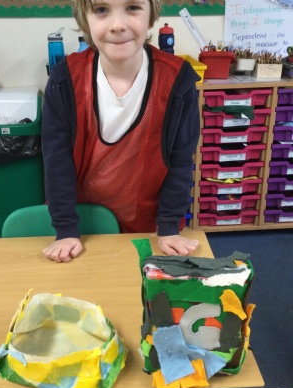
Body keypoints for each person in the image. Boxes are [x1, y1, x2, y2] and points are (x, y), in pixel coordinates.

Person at [41, 0, 200, 263]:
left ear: (151, 14)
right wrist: (66, 230)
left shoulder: (177, 80)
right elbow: (57, 162)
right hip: (82, 227)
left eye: (132, 7)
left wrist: (169, 227)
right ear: (85, 19)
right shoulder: (65, 79)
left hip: (148, 229)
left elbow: (180, 161)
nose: (117, 25)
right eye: (101, 10)